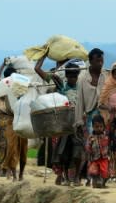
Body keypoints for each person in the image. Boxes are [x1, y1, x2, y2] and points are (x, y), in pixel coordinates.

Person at [34, 53, 81, 185]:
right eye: (70, 76)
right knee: (62, 151)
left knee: (77, 151)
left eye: (75, 76)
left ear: (78, 76)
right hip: (62, 124)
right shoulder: (60, 84)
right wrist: (43, 55)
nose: (72, 79)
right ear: (66, 76)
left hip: (77, 124)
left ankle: (76, 177)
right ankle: (64, 175)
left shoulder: (81, 86)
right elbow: (37, 70)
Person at [74, 48, 106, 186]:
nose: (100, 63)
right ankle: (87, 176)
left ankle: (100, 177)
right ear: (91, 61)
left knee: (103, 148)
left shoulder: (105, 77)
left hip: (104, 116)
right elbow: (79, 101)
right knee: (90, 148)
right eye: (97, 60)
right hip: (90, 117)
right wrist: (78, 122)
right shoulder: (83, 79)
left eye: (101, 60)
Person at [85, 114, 110, 188]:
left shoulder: (106, 136)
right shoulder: (91, 137)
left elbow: (109, 145)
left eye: (101, 126)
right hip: (94, 158)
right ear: (93, 127)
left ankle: (102, 182)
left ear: (103, 127)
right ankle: (95, 182)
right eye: (96, 127)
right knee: (93, 172)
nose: (99, 128)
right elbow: (88, 147)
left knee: (105, 173)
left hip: (104, 158)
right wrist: (89, 153)